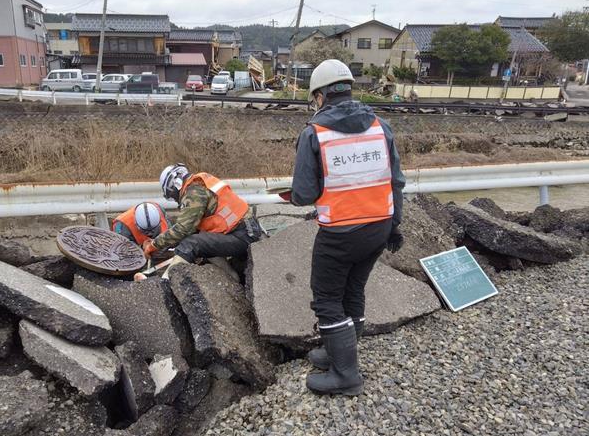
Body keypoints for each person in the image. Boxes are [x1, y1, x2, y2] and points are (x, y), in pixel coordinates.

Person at [287, 59, 406, 396]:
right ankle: (340, 351)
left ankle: (346, 375)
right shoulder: (380, 126)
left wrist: (293, 194)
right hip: (379, 227)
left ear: (320, 95)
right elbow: (396, 181)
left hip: (340, 233)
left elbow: (304, 194)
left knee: (327, 299)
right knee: (353, 290)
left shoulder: (314, 133)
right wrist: (395, 225)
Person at [142, 164, 263, 275]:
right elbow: (190, 229)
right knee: (200, 241)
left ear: (173, 187)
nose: (175, 199)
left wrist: (153, 245)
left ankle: (165, 285)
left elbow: (183, 229)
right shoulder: (200, 183)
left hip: (242, 234)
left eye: (172, 195)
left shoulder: (194, 192)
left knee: (190, 244)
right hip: (244, 230)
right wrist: (164, 243)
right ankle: (233, 278)